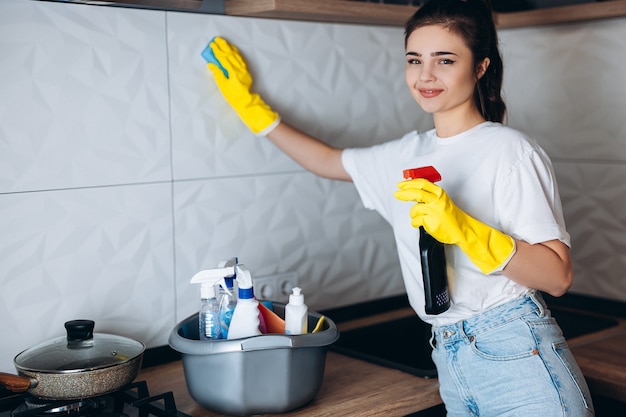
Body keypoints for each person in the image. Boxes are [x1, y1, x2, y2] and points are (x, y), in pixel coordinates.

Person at [205, 0, 594, 415]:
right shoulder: (404, 155)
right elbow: (326, 160)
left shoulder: (510, 150)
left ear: (480, 67)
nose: (425, 75)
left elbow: (557, 276)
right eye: (414, 60)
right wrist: (253, 110)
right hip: (449, 356)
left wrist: (464, 228)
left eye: (445, 60)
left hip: (517, 350)